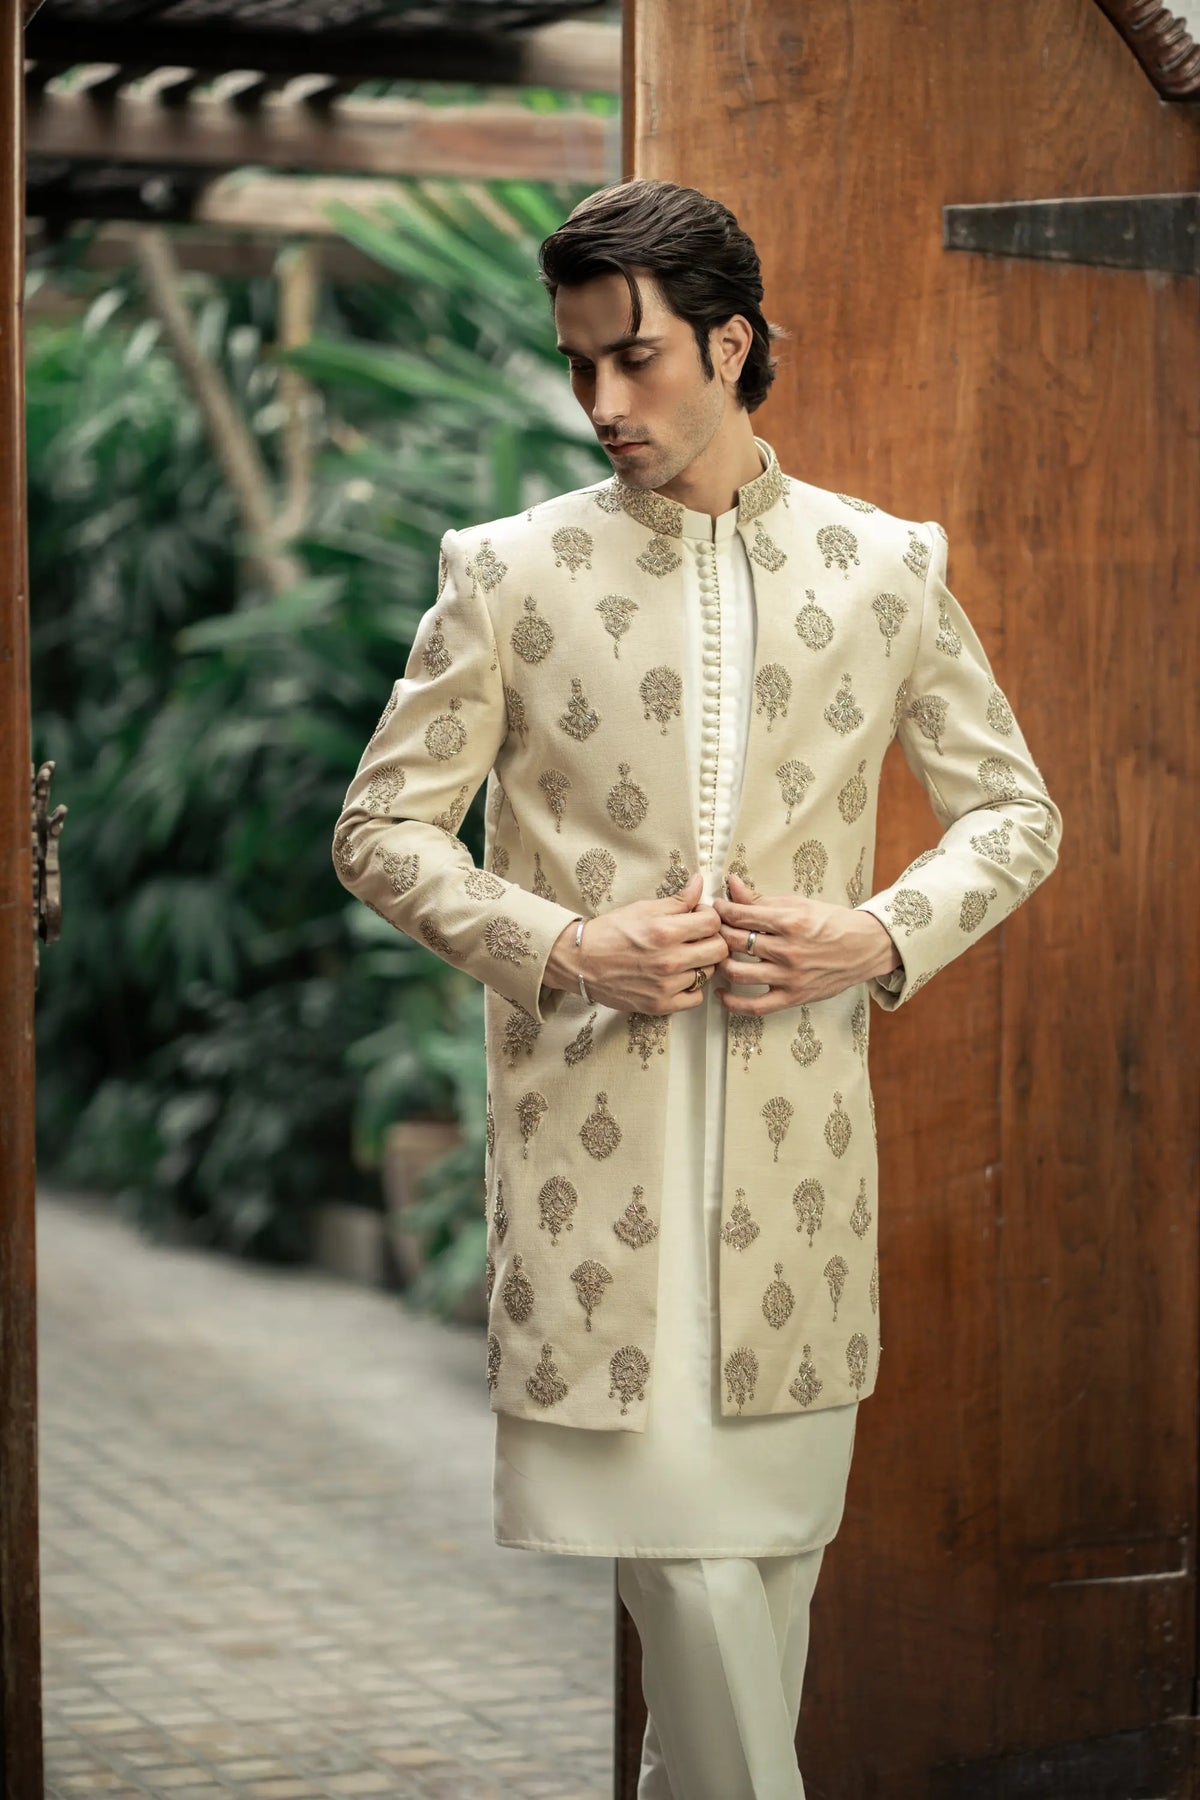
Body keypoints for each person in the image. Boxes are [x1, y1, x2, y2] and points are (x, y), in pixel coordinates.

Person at [333, 177, 1062, 1800]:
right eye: (580, 364)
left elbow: (1018, 811)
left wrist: (880, 934)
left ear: (731, 344)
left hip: (797, 1189)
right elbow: (380, 829)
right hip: (596, 1174)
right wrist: (562, 944)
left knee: (757, 1593)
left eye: (638, 359)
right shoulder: (509, 573)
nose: (603, 403)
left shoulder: (883, 568)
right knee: (689, 1572)